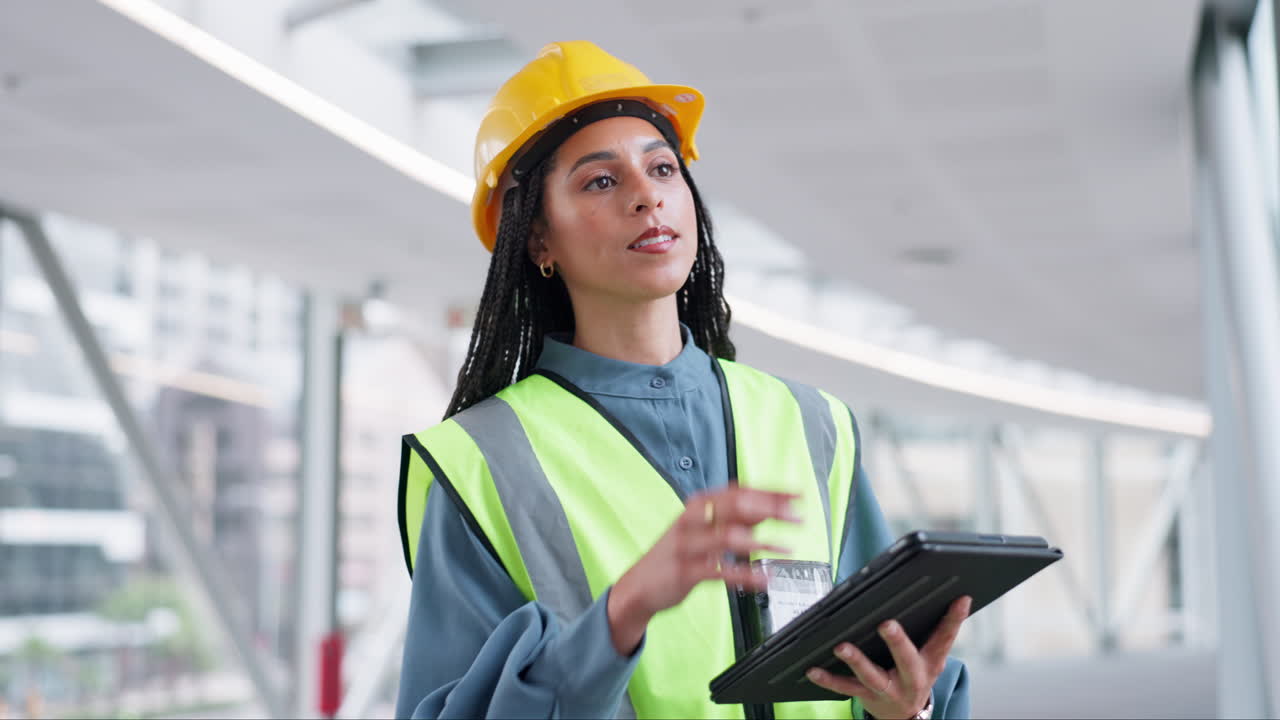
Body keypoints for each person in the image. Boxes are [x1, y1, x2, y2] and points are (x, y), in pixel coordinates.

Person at [395, 41, 971, 720]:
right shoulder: (478, 463)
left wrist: (908, 707)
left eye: (663, 168)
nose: (647, 196)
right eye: (601, 181)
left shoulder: (814, 426)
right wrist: (622, 613)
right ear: (538, 241)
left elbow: (881, 660)